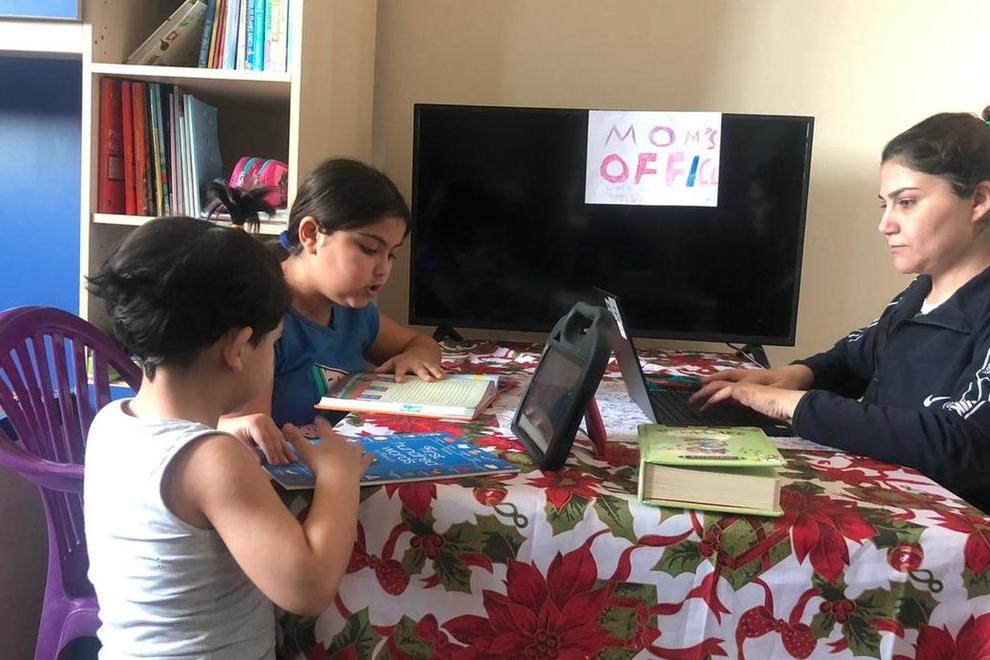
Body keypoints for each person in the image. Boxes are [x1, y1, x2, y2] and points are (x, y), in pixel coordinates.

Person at [84, 217, 372, 658]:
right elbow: (309, 588)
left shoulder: (110, 423)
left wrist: (223, 429)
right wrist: (338, 477)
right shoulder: (213, 459)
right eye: (273, 343)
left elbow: (177, 475)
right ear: (238, 349)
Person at [690, 107, 990, 513]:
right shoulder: (918, 293)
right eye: (885, 205)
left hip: (952, 529)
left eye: (906, 202)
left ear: (979, 200)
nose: (886, 225)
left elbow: (962, 442)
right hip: (887, 494)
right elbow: (853, 358)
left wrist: (788, 404)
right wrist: (792, 376)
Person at [237, 159, 444, 458]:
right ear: (311, 234)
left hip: (344, 459)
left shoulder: (351, 308)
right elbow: (252, 437)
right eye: (370, 249)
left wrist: (416, 357)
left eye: (391, 255)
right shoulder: (264, 317)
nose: (383, 269)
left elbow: (421, 342)